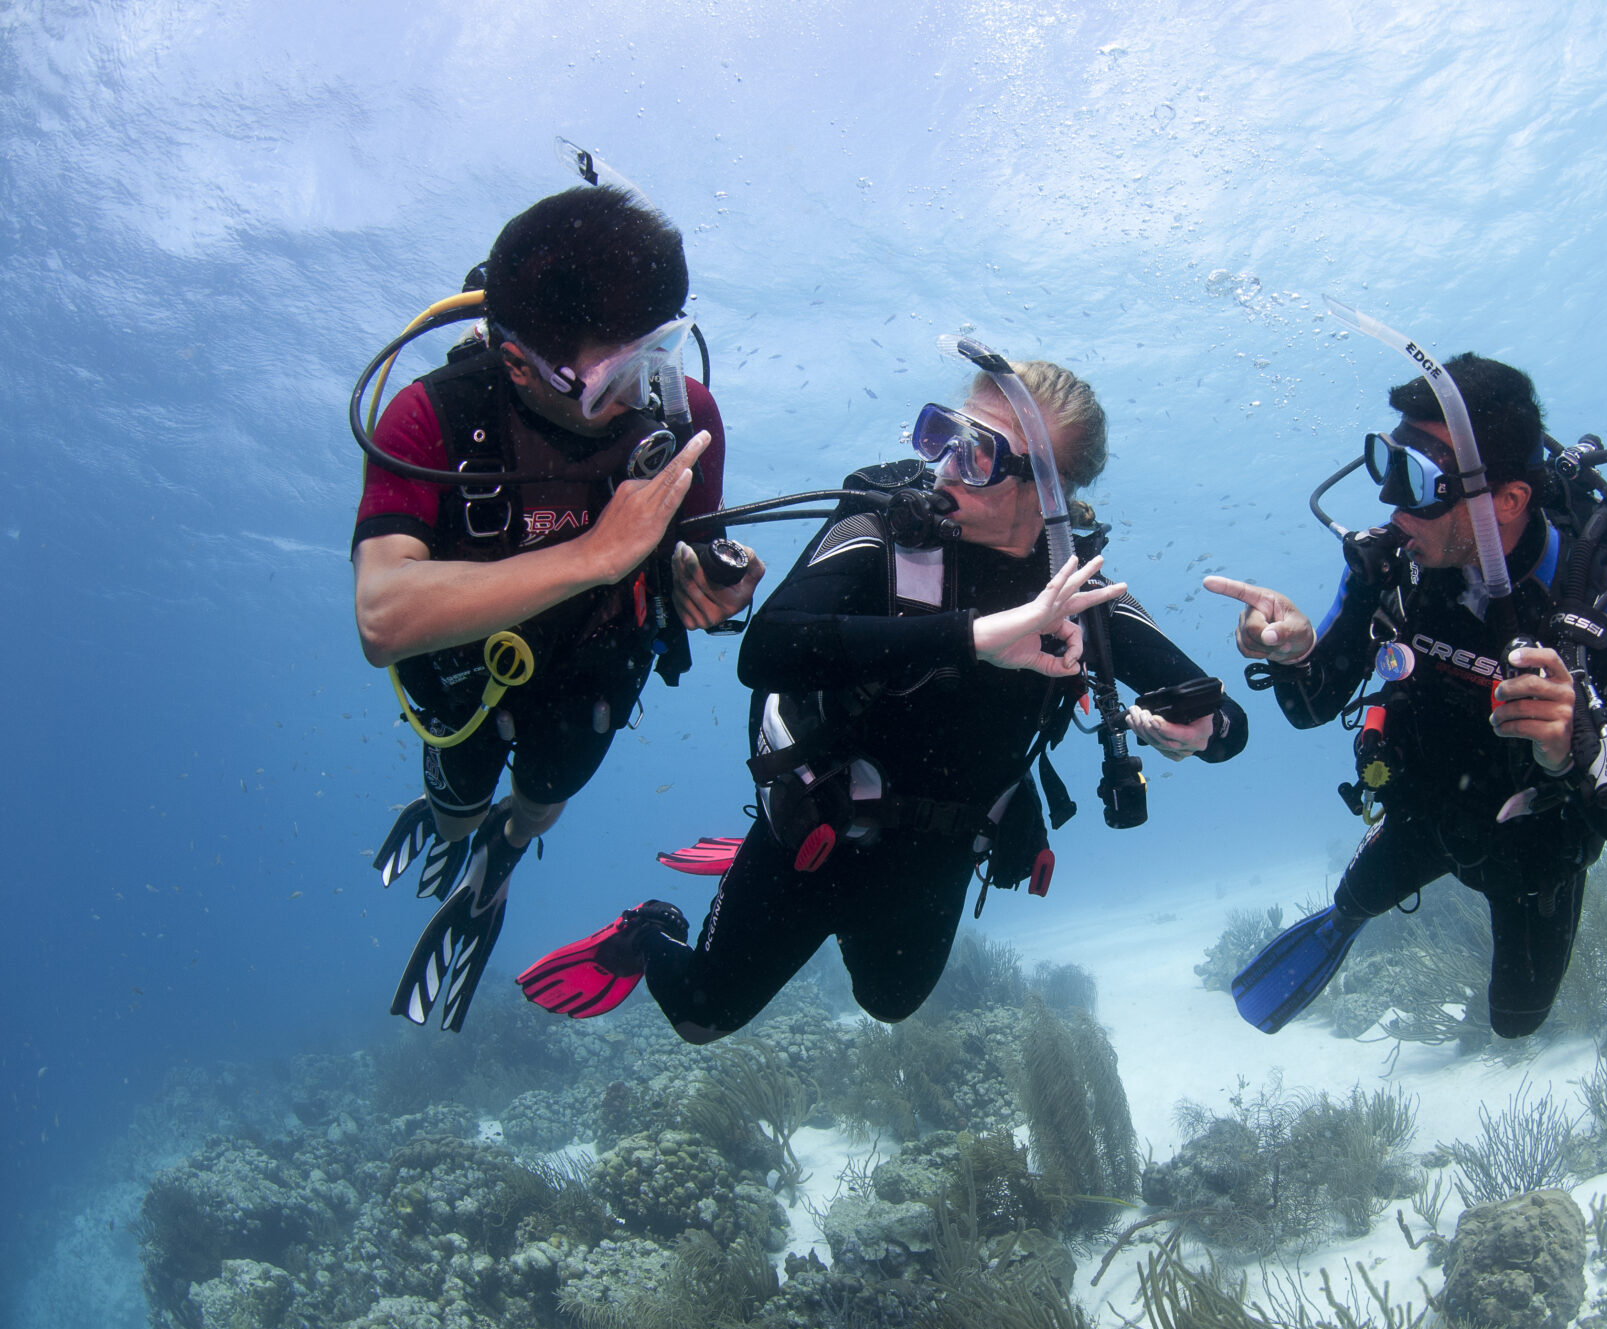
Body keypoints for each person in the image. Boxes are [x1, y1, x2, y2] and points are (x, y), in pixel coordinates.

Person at [515, 353, 1250, 1041]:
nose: (943, 467)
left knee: (889, 1003)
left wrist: (1199, 727)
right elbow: (768, 649)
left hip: (938, 850)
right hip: (818, 818)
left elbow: (1222, 722)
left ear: (1046, 493)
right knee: (703, 1016)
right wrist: (975, 637)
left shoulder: (1076, 593)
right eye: (944, 434)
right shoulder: (884, 527)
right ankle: (649, 928)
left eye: (978, 453)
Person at [352, 184, 766, 1031]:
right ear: (518, 359)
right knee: (458, 801)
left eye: (665, 350)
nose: (651, 389)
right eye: (620, 372)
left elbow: (689, 551)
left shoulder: (689, 415)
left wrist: (713, 587)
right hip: (464, 684)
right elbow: (384, 615)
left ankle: (500, 859)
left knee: (542, 799)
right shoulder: (431, 418)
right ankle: (455, 822)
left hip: (599, 674)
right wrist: (592, 555)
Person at [1205, 354, 1607, 1039]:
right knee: (1354, 900)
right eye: (1387, 465)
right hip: (1420, 811)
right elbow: (1313, 707)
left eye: (1418, 481)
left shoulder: (1602, 603)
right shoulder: (1389, 567)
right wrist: (1296, 656)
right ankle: (1343, 920)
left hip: (1532, 846)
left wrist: (1578, 749)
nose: (1392, 508)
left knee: (1516, 1022)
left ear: (1509, 501)